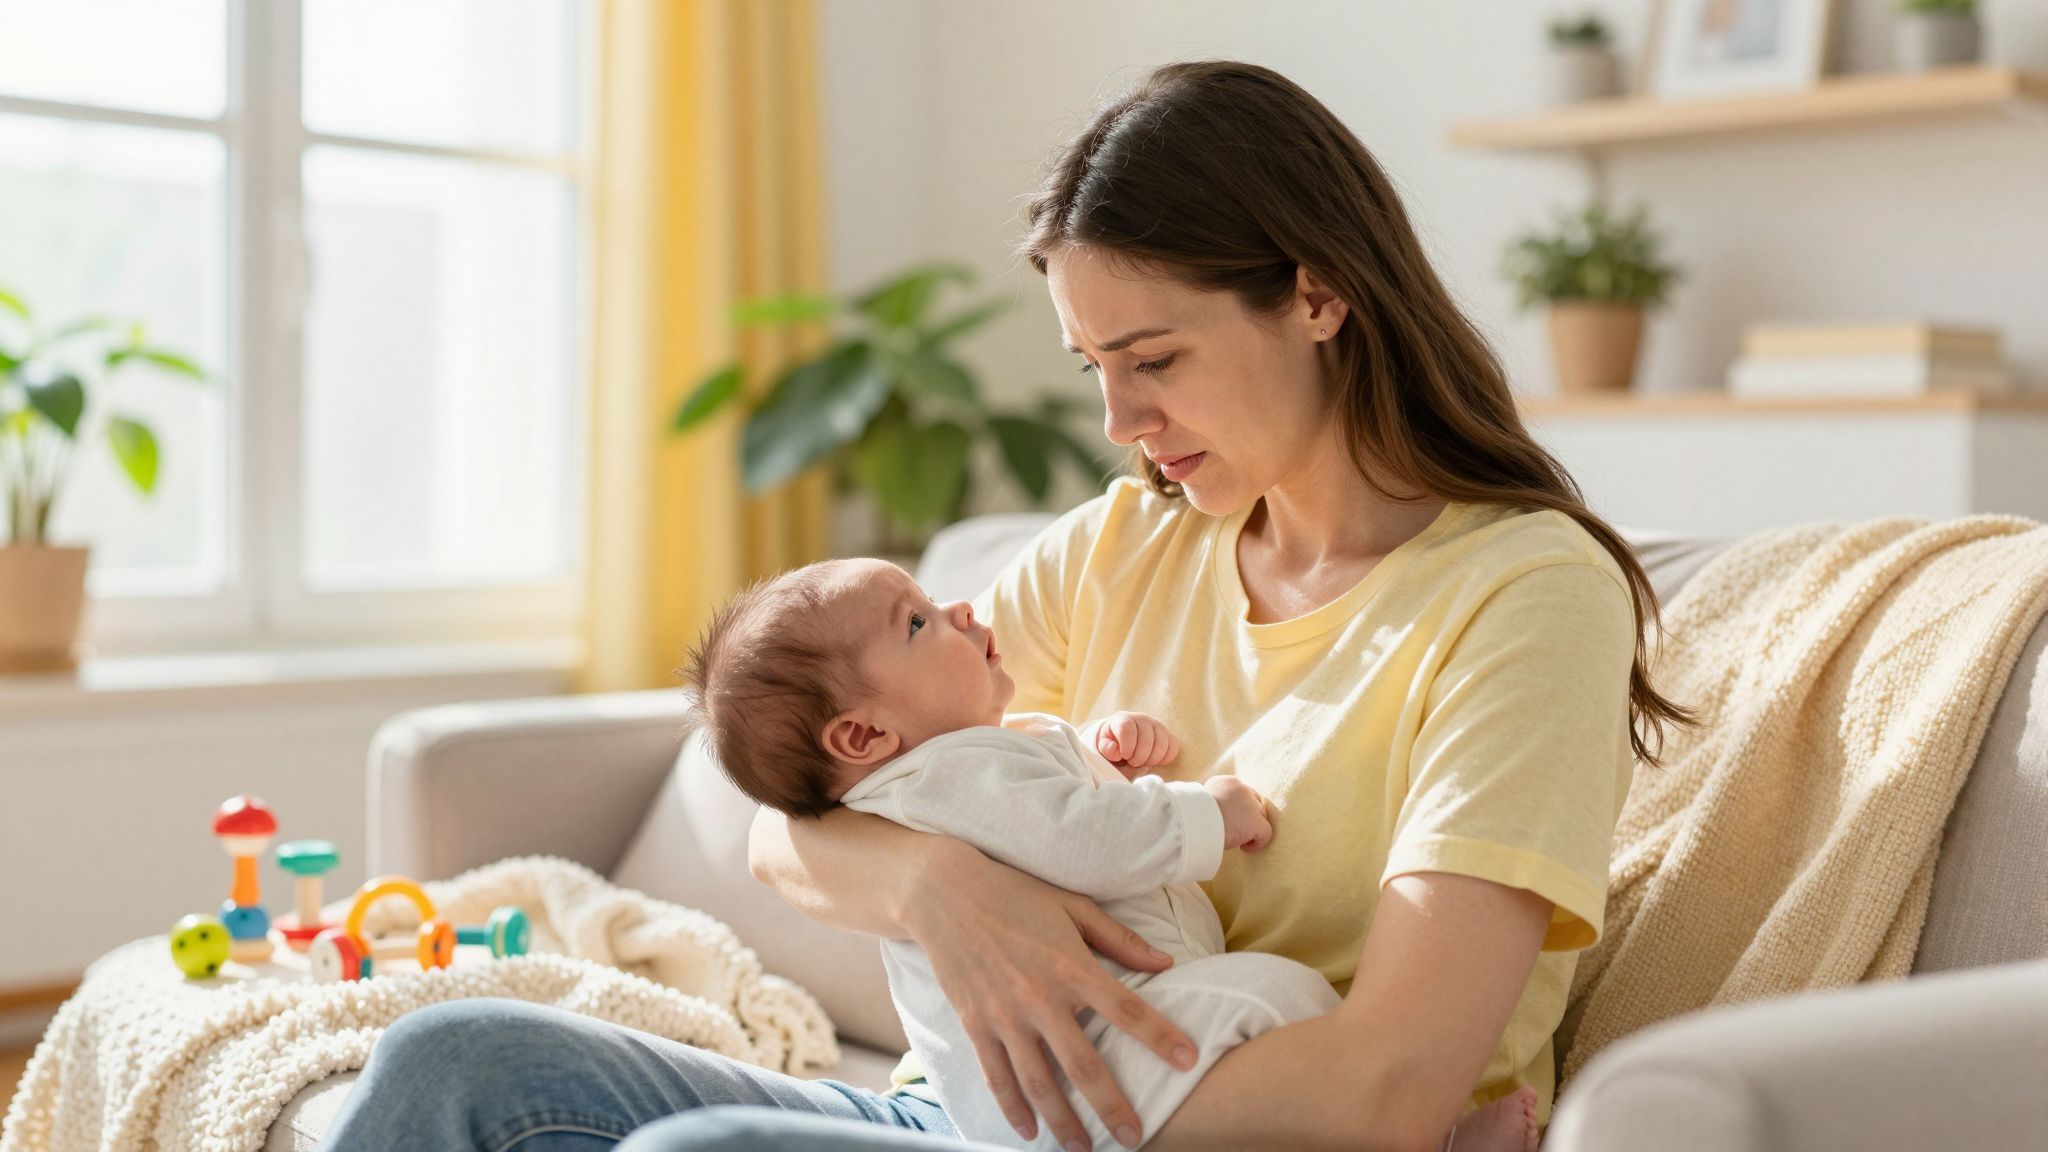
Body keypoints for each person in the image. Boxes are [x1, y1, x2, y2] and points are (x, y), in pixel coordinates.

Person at [320, 59, 1688, 1152]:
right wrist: (942, 891)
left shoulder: (1524, 598)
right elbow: (793, 827)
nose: (1117, 422)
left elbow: (1386, 1092)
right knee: (454, 1061)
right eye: (1094, 367)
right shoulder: (1125, 545)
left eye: (1153, 359)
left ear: (1317, 296)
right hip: (969, 1114)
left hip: (1170, 1130)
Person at [672, 556, 1545, 1151]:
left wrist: (1094, 752)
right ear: (863, 735)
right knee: (1275, 995)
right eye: (918, 622)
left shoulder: (943, 770)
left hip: (1053, 1077)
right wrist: (1208, 813)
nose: (963, 610)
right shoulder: (947, 772)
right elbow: (1079, 839)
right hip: (1080, 1063)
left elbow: (1030, 809)